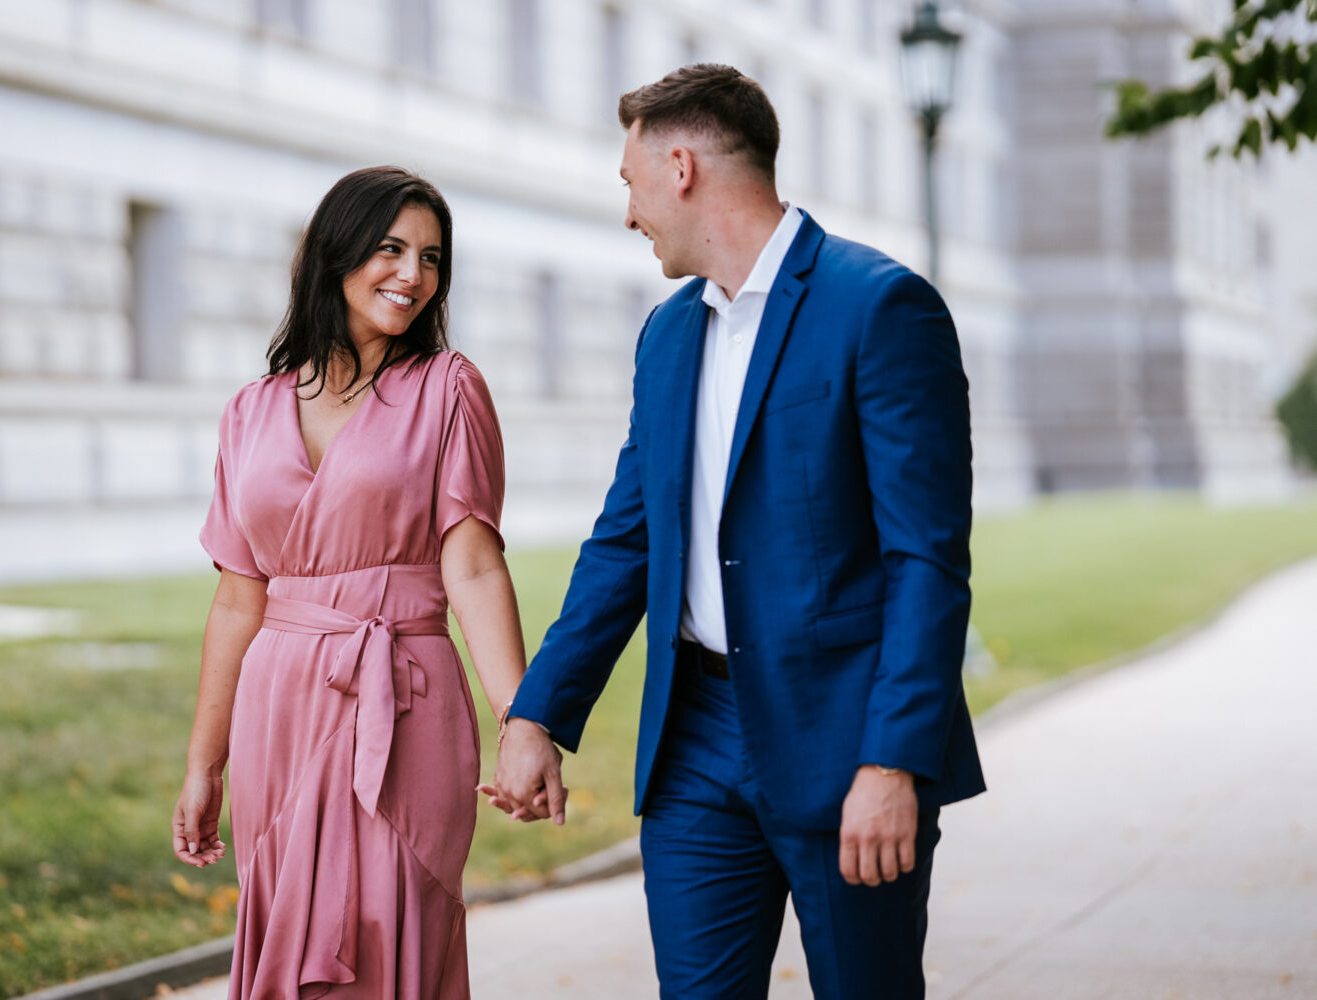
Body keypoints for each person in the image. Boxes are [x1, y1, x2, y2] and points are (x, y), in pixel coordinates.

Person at [488, 65, 986, 998]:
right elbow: (626, 541)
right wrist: (540, 713)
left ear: (680, 167)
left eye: (630, 185)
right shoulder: (667, 335)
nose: (629, 214)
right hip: (694, 745)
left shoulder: (880, 307)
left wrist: (894, 760)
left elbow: (927, 561)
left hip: (845, 739)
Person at [173, 166, 528, 1000]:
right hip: (280, 708)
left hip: (403, 698)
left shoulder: (448, 389)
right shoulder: (249, 410)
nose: (413, 275)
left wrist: (521, 720)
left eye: (432, 259)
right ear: (335, 254)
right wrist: (204, 764)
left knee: (394, 921)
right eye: (391, 249)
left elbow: (473, 566)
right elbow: (236, 598)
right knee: (291, 934)